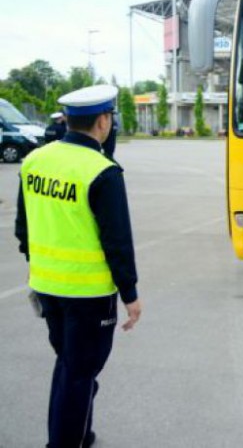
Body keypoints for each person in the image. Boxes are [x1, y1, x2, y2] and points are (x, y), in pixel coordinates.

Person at [14, 84, 141, 448]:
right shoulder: (102, 171)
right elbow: (117, 242)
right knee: (79, 374)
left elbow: (23, 227)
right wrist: (130, 295)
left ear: (67, 119)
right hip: (88, 295)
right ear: (103, 121)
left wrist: (38, 268)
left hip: (46, 288)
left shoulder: (35, 160)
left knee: (72, 365)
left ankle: (80, 433)